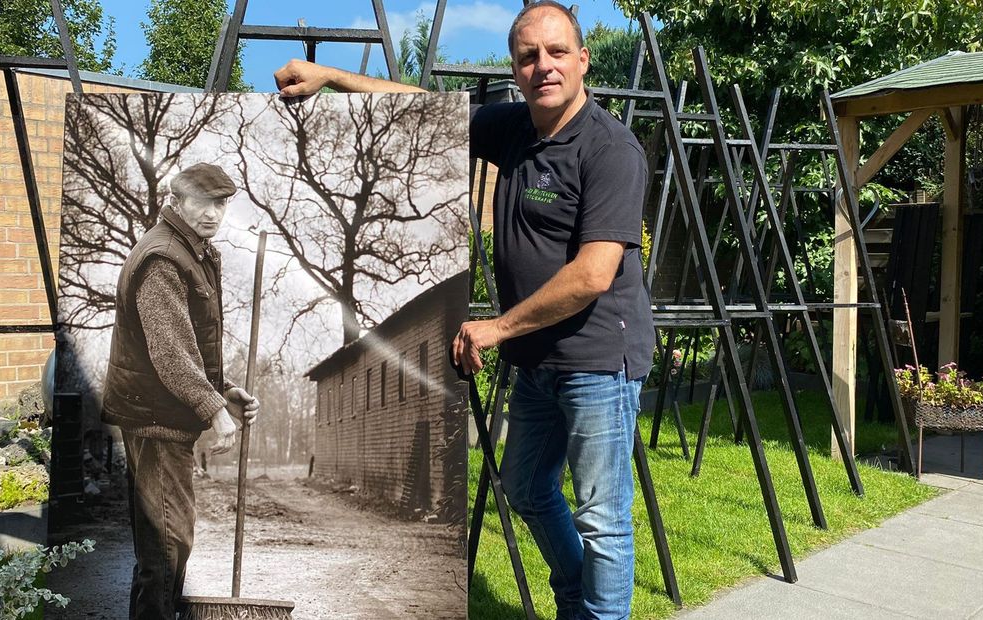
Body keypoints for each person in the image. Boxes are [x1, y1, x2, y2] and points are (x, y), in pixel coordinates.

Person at [274, 2, 654, 617]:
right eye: (529, 56)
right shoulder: (515, 129)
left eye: (557, 53)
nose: (544, 66)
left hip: (596, 361)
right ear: (514, 67)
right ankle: (579, 596)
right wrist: (334, 77)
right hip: (537, 360)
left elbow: (592, 275)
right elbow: (421, 103)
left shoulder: (610, 149)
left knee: (604, 520)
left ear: (582, 60)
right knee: (528, 489)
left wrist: (497, 328)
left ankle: (593, 609)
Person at [101, 162, 260, 619]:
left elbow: (189, 342)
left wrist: (223, 390)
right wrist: (213, 409)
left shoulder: (196, 251)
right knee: (167, 545)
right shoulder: (163, 258)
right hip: (154, 419)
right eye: (203, 202)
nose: (213, 213)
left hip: (163, 413)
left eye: (222, 203)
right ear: (177, 200)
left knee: (164, 544)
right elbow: (169, 352)